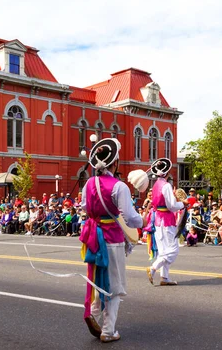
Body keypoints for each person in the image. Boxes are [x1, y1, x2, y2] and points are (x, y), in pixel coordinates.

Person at [79, 138, 143, 343]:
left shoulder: (88, 183)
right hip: (112, 239)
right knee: (114, 286)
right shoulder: (119, 186)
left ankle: (94, 312)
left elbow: (84, 208)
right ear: (114, 163)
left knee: (99, 279)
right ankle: (108, 330)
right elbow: (131, 218)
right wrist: (142, 219)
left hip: (93, 237)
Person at [146, 157, 189, 286]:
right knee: (173, 249)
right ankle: (153, 268)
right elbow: (171, 205)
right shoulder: (166, 186)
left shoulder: (155, 185)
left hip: (158, 220)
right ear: (167, 171)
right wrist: (183, 203)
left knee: (163, 250)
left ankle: (164, 277)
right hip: (166, 219)